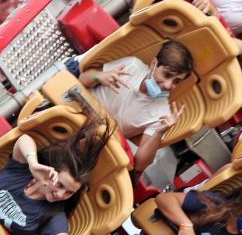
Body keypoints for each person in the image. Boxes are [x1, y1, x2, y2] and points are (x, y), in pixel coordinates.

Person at [78, 40, 193, 173]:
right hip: (76, 111)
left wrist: (159, 132)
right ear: (154, 64)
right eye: (166, 75)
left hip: (92, 141)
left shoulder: (161, 114)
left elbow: (139, 165)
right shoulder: (132, 65)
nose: (167, 85)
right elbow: (82, 79)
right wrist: (100, 76)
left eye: (176, 81)